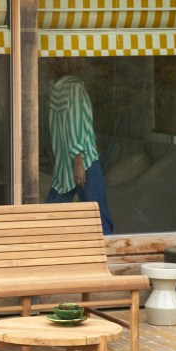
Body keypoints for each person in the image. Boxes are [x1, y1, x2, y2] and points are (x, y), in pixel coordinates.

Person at [45, 63, 114, 234]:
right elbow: (75, 125)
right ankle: (107, 254)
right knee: (99, 217)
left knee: (48, 217)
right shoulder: (75, 89)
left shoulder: (56, 91)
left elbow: (57, 129)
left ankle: (39, 245)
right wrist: (78, 160)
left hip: (63, 167)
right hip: (85, 163)